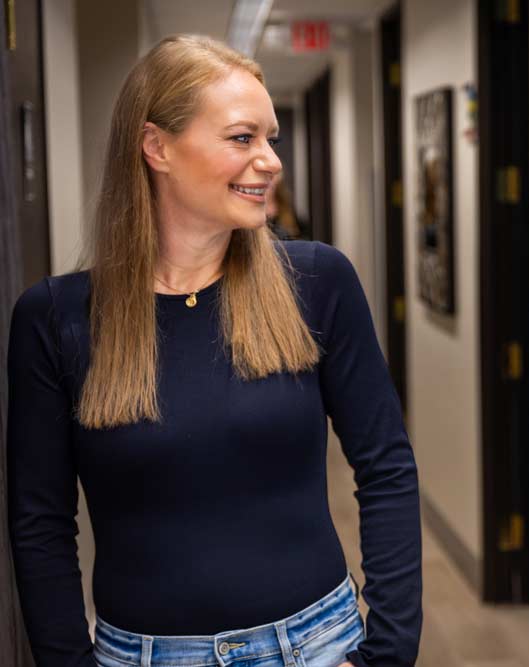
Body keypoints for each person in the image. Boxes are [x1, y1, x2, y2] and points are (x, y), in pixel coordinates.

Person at [7, 35, 421, 667]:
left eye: (271, 138)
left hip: (315, 647)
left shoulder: (316, 282)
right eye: (242, 138)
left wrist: (387, 654)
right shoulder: (56, 318)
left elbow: (386, 467)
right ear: (157, 147)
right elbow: (39, 522)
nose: (271, 160)